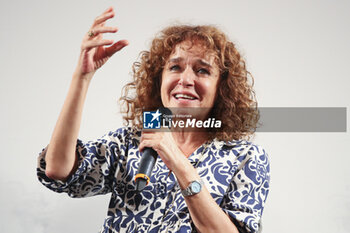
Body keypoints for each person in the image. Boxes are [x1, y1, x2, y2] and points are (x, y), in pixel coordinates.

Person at [37, 6, 270, 233]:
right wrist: (83, 77)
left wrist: (177, 161)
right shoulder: (130, 142)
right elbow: (57, 169)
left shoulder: (245, 157)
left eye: (202, 70)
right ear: (160, 80)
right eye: (175, 67)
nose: (186, 79)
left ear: (222, 88)